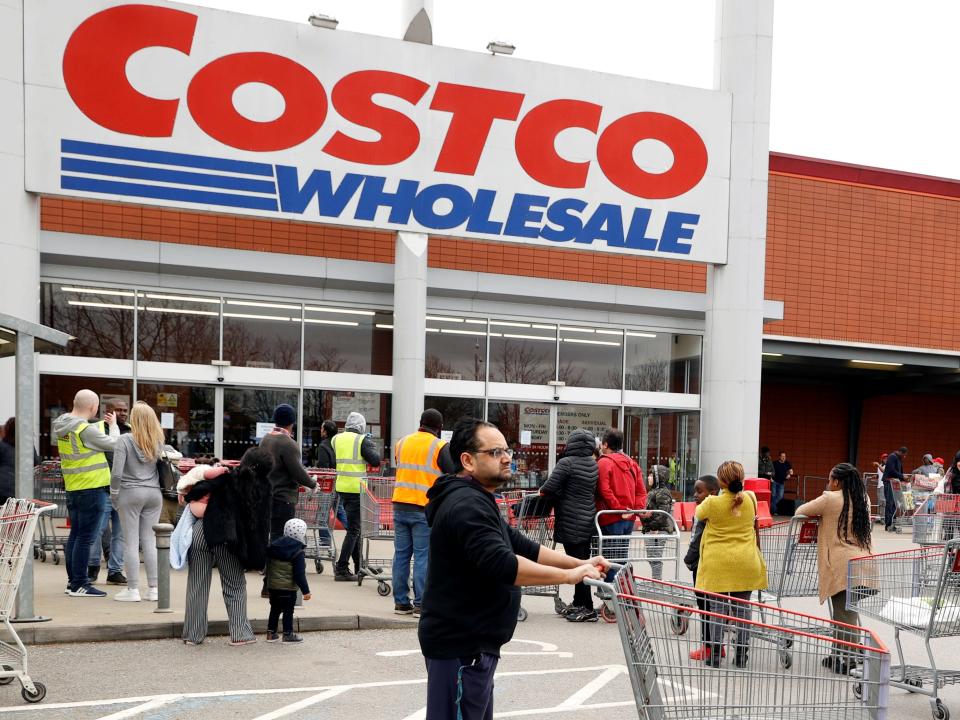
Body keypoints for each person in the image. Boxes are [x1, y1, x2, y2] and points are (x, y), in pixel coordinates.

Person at [418, 417, 607, 719]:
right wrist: (569, 576)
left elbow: (522, 545)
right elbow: (503, 564)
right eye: (494, 452)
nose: (507, 458)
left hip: (473, 645)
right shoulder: (466, 505)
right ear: (467, 460)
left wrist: (581, 563)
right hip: (461, 646)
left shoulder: (478, 498)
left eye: (507, 450)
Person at [179, 447, 272, 645]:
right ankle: (240, 634)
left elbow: (198, 490)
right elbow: (260, 527)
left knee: (197, 584)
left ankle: (192, 635)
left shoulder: (228, 475)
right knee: (234, 584)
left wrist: (187, 497)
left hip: (201, 531)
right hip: (227, 538)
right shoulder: (264, 488)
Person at [796, 463, 872, 674]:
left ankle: (848, 660)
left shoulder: (830, 499)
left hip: (841, 564)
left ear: (837, 482)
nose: (828, 484)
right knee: (847, 613)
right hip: (863, 562)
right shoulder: (863, 498)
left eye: (830, 480)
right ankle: (838, 654)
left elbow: (801, 511)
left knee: (844, 614)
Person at [695, 460, 768, 669]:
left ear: (721, 481)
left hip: (717, 563)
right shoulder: (751, 498)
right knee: (742, 609)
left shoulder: (711, 503)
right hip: (746, 562)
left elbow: (697, 515)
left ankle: (715, 654)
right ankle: (742, 654)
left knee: (716, 609)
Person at [53, 389, 120, 597]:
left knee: (75, 535)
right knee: (85, 538)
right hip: (92, 488)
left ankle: (72, 582)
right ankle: (80, 584)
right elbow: (116, 445)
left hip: (74, 487)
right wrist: (114, 427)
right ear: (93, 407)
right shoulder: (85, 430)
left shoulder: (63, 425)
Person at [391, 409, 456, 616]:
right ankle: (421, 603)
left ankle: (401, 602)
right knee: (422, 557)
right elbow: (451, 472)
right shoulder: (439, 446)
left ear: (420, 423)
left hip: (400, 504)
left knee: (401, 555)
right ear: (440, 427)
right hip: (423, 508)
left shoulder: (402, 442)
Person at [109, 401, 170, 602]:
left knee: (130, 542)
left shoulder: (124, 440)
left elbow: (117, 473)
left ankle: (133, 589)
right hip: (153, 494)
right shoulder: (158, 441)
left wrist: (114, 495)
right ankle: (154, 589)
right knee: (150, 542)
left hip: (130, 492)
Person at [540, 429, 599, 622]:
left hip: (571, 519)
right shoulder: (593, 463)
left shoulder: (567, 463)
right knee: (583, 561)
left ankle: (587, 606)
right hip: (587, 518)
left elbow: (549, 487)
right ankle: (578, 601)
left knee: (578, 565)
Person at [332, 412, 381, 581]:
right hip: (355, 488)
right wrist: (370, 444)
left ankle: (359, 565)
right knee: (354, 529)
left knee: (354, 528)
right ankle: (341, 568)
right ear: (361, 426)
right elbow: (375, 460)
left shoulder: (336, 439)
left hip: (341, 487)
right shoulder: (361, 440)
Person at [595, 428, 645, 581]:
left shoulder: (604, 462)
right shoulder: (632, 464)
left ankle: (611, 598)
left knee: (609, 559)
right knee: (621, 557)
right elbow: (641, 491)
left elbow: (604, 490)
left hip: (610, 517)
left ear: (605, 444)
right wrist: (635, 510)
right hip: (628, 519)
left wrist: (618, 509)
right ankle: (619, 595)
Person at [261, 404, 316, 541]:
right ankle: (275, 563)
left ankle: (265, 562)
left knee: (267, 535)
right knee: (279, 538)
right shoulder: (288, 444)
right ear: (292, 422)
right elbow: (297, 472)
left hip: (266, 496)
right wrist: (312, 484)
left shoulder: (265, 439)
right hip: (282, 498)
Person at [90, 399, 130, 586]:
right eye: (118, 410)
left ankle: (115, 571)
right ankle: (92, 568)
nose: (123, 413)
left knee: (120, 534)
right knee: (97, 531)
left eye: (125, 410)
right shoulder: (97, 430)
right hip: (104, 489)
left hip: (124, 490)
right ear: (108, 412)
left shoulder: (130, 431)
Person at [684, 474, 721, 661]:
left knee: (705, 606)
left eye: (700, 491)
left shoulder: (704, 512)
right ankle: (717, 645)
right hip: (712, 564)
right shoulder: (718, 510)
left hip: (701, 564)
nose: (695, 495)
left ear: (712, 492)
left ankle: (708, 647)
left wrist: (688, 558)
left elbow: (696, 539)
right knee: (714, 607)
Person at [265, 518, 312, 644]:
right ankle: (288, 634)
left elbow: (268, 568)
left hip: (273, 586)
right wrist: (306, 591)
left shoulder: (274, 546)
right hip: (288, 588)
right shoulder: (298, 551)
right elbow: (299, 574)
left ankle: (271, 633)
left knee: (274, 609)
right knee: (288, 611)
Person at [641, 464, 674, 580]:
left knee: (655, 558)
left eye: (651, 475)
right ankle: (656, 580)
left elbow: (663, 514)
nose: (648, 478)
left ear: (658, 477)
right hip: (652, 529)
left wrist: (654, 528)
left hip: (658, 530)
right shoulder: (654, 491)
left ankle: (657, 581)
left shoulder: (662, 492)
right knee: (652, 557)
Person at [0, 417, 40, 504]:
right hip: (22, 489)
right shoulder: (28, 446)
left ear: (8, 430)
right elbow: (36, 462)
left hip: (3, 489)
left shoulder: (2, 446)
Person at [881, 446, 907, 531]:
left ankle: (892, 523)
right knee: (890, 502)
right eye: (904, 455)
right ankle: (888, 524)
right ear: (900, 452)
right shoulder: (892, 457)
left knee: (894, 503)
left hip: (895, 482)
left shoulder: (898, 458)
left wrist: (902, 479)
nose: (904, 457)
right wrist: (901, 476)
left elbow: (899, 471)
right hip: (889, 482)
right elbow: (891, 470)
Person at [771, 450, 793, 516]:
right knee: (773, 495)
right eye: (782, 456)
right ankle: (774, 511)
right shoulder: (774, 463)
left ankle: (770, 506)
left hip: (781, 483)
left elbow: (791, 471)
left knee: (780, 496)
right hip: (774, 481)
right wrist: (771, 478)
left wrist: (789, 474)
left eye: (784, 456)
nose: (784, 457)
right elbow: (771, 471)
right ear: (779, 457)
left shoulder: (787, 463)